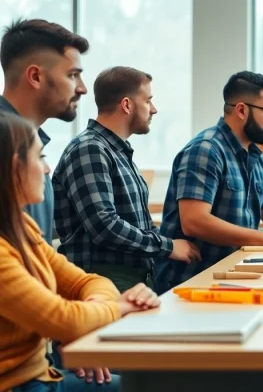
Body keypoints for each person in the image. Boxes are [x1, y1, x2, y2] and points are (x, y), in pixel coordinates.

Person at [0, 112, 161, 392]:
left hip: (41, 375)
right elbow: (62, 318)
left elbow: (86, 282)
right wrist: (120, 307)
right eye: (40, 157)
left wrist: (88, 318)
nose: (49, 169)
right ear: (16, 168)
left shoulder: (21, 227)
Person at [155, 72, 263, 293]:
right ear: (242, 110)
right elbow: (194, 221)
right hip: (191, 282)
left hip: (231, 278)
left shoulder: (256, 158)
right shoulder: (206, 150)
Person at [52, 67, 201, 292]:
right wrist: (168, 246)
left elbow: (137, 223)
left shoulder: (116, 151)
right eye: (148, 101)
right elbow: (104, 226)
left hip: (130, 280)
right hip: (102, 283)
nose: (154, 109)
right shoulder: (90, 149)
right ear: (127, 105)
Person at [0, 18, 89, 244]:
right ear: (36, 77)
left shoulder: (31, 145)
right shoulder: (6, 144)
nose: (82, 88)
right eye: (72, 75)